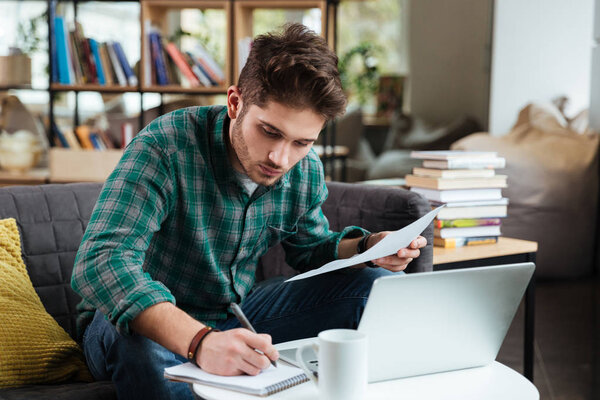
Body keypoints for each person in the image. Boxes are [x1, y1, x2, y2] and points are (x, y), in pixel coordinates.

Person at [71, 23, 426, 400]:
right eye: (269, 131)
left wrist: (369, 248)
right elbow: (100, 260)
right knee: (140, 343)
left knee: (373, 289)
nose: (281, 158)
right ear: (235, 103)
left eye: (302, 142)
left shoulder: (303, 169)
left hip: (235, 314)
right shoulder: (165, 145)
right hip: (140, 321)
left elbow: (311, 250)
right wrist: (200, 342)